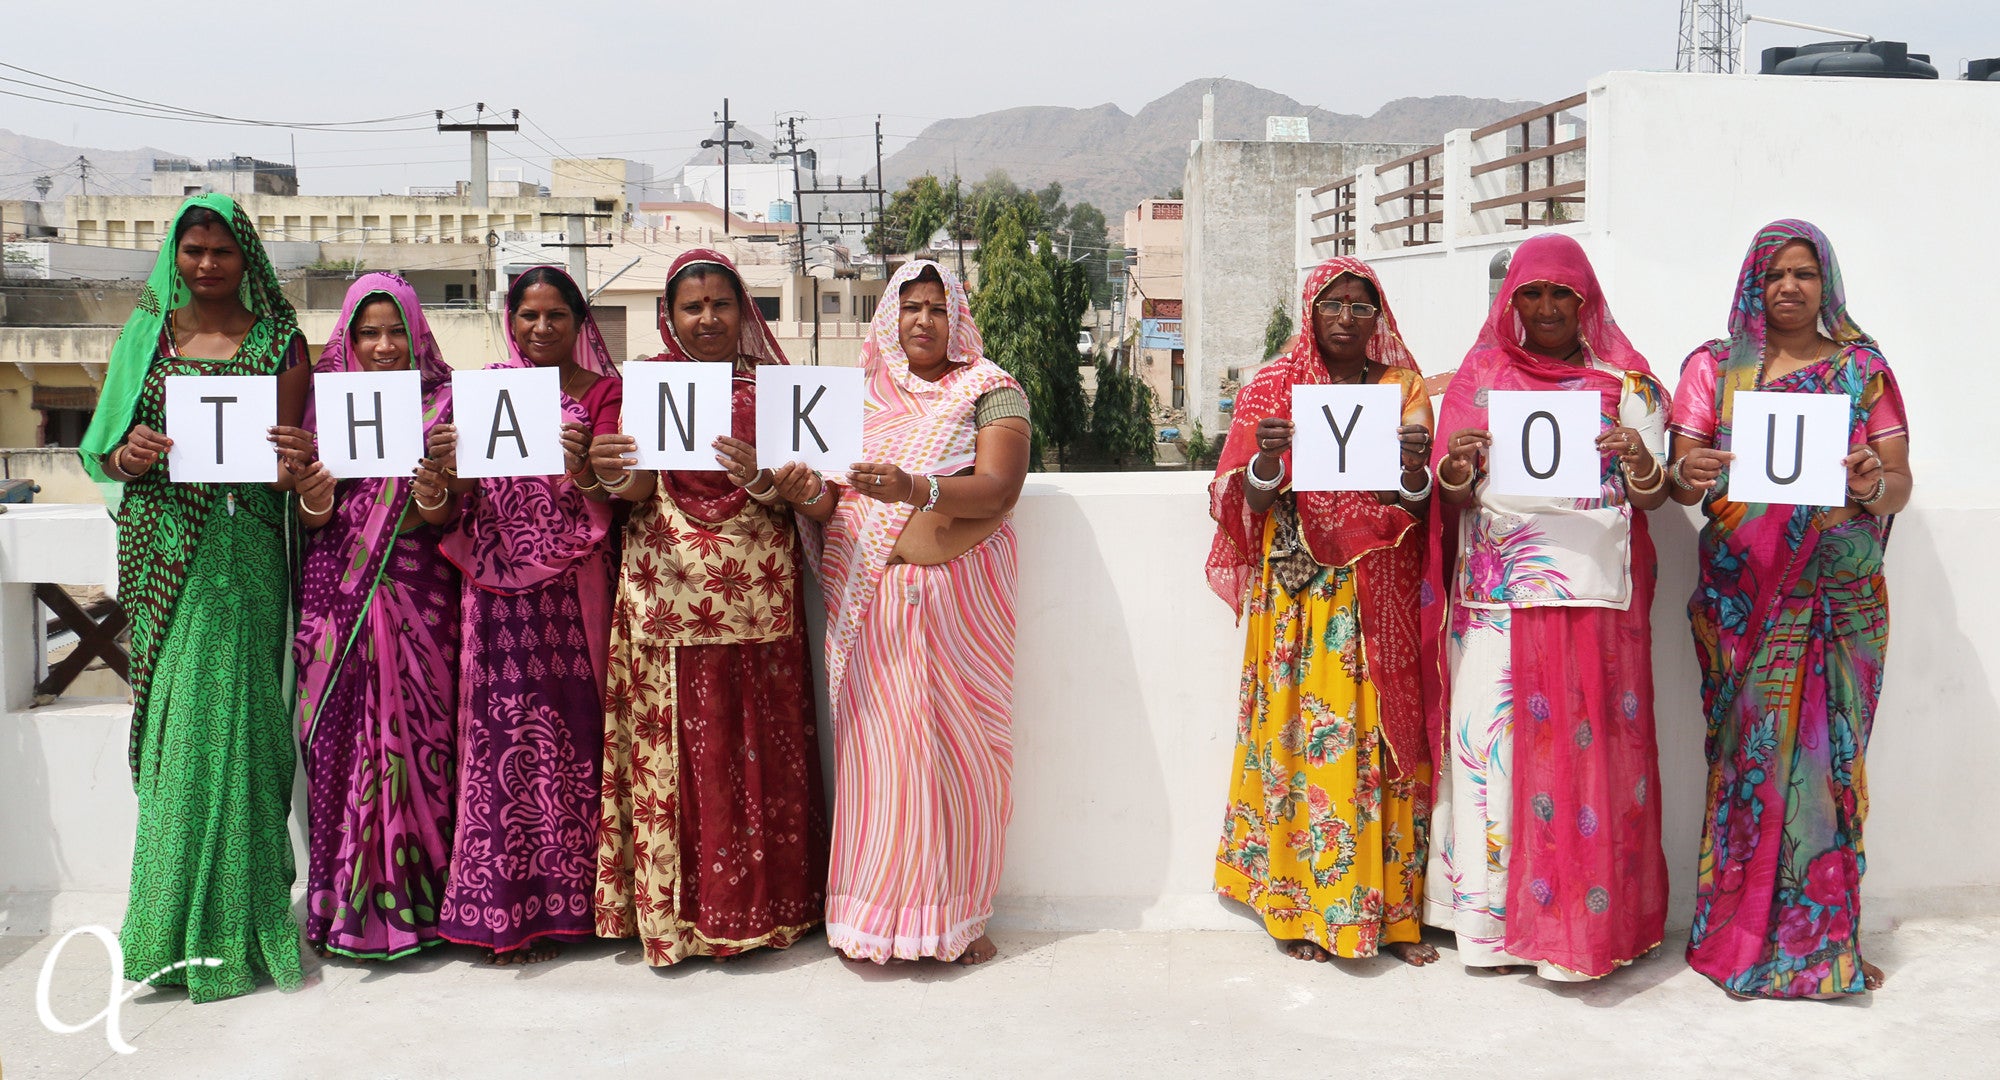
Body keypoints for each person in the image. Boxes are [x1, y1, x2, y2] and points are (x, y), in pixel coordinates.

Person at [1668, 220, 1910, 999]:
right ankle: (1735, 939)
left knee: (1832, 769)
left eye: (1805, 273)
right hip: (1748, 599)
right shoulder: (1714, 369)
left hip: (1839, 596)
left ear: (1826, 281)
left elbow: (1900, 482)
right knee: (1749, 765)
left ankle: (1827, 942)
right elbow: (1681, 477)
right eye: (1774, 275)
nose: (1790, 288)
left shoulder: (1862, 371)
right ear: (1753, 283)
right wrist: (1690, 469)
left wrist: (1872, 481)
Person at [79, 194, 309, 1002]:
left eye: (222, 250)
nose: (207, 264)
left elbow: (290, 467)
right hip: (164, 555)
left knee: (242, 732)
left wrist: (294, 455)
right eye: (192, 250)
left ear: (247, 256)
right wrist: (128, 452)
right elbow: (100, 453)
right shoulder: (146, 338)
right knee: (180, 735)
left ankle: (242, 929)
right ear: (173, 256)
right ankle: (165, 931)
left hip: (244, 552)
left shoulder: (282, 341)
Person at [1423, 232, 1672, 980]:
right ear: (1511, 299)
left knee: (1585, 759)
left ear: (1586, 298)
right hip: (1498, 603)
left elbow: (1656, 494)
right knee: (1491, 758)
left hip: (1591, 600)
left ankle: (1577, 936)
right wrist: (1460, 468)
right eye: (1531, 292)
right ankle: (1492, 928)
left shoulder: (1629, 384)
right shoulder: (1482, 375)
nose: (1546, 306)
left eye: (1562, 293)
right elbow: (1450, 489)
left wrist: (1639, 460)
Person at [784, 260, 1030, 965]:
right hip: (873, 606)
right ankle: (873, 922)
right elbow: (836, 505)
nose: (923, 320)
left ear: (958, 318)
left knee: (964, 759)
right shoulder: (853, 398)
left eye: (938, 308)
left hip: (960, 609)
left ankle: (959, 918)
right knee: (880, 767)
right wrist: (805, 493)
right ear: (889, 316)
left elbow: (999, 489)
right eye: (910, 307)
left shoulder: (992, 390)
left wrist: (913, 486)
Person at [588, 250, 828, 965]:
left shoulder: (777, 392)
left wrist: (762, 479)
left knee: (754, 747)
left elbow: (815, 496)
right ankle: (676, 919)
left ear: (743, 310)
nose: (708, 318)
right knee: (675, 760)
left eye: (721, 304)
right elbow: (632, 491)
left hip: (757, 600)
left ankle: (764, 910)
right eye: (692, 306)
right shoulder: (644, 387)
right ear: (670, 315)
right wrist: (608, 471)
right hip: (666, 595)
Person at [1204, 257, 1440, 965]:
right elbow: (1238, 499)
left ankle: (1390, 914)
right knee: (1300, 741)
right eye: (1332, 304)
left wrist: (1411, 466)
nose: (1345, 316)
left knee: (1377, 742)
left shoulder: (1403, 389)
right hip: (1301, 595)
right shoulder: (1274, 388)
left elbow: (1415, 503)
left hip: (1376, 588)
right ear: (1310, 311)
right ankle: (1299, 907)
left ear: (1379, 316)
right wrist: (1270, 461)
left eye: (1361, 306)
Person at [432, 266, 621, 964]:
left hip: (576, 589)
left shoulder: (605, 392)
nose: (542, 329)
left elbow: (619, 489)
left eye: (557, 316)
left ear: (579, 323)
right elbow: (451, 503)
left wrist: (587, 470)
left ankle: (585, 906)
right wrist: (448, 471)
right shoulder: (483, 392)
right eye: (528, 316)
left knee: (580, 732)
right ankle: (507, 912)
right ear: (510, 321)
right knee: (497, 737)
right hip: (494, 590)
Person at [288, 273, 461, 962]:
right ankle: (344, 907)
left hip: (422, 597)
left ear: (418, 335)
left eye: (398, 331)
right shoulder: (322, 414)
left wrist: (437, 492)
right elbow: (310, 521)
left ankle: (431, 903)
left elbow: (452, 518)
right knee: (338, 743)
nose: (385, 346)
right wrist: (313, 496)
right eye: (369, 332)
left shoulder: (447, 406)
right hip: (338, 600)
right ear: (349, 340)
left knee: (429, 743)